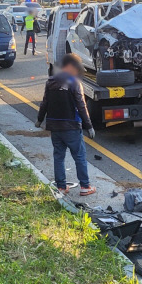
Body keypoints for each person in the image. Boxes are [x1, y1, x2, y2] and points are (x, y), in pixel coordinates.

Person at [35, 53, 96, 196]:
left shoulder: (50, 82)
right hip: (72, 127)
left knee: (58, 156)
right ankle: (85, 186)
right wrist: (89, 126)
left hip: (54, 127)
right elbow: (81, 106)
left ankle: (61, 187)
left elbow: (45, 103)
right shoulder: (75, 83)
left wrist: (39, 119)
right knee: (79, 156)